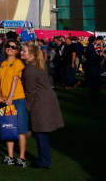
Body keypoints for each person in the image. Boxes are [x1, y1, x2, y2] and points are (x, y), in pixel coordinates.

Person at [20, 41, 64, 170]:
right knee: (42, 132)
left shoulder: (31, 70)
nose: (21, 52)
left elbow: (30, 91)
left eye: (24, 51)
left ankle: (43, 161)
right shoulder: (39, 64)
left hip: (40, 102)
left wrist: (27, 106)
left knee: (40, 132)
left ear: (32, 54)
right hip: (47, 99)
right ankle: (43, 159)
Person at [0, 39, 29, 167]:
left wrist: (11, 96)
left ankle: (21, 157)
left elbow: (15, 80)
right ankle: (10, 156)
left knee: (20, 129)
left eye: (13, 47)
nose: (10, 48)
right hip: (4, 100)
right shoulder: (2, 63)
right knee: (8, 128)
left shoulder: (18, 63)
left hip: (18, 98)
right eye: (8, 46)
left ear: (17, 50)